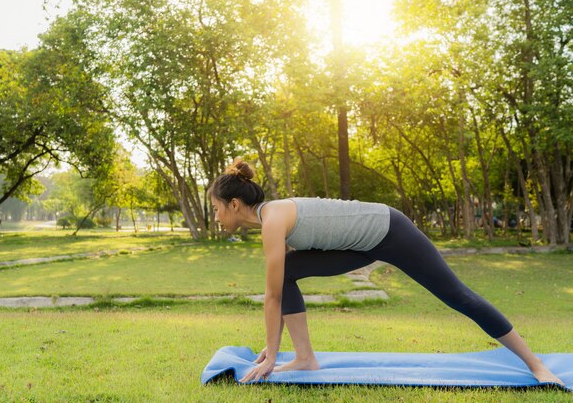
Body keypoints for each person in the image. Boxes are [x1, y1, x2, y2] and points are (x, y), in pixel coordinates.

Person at [208, 160, 564, 385]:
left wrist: (271, 356)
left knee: (458, 296)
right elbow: (280, 289)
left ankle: (535, 364)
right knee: (290, 272)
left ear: (235, 204)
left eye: (216, 209)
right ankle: (305, 359)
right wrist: (271, 349)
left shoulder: (272, 221)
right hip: (362, 244)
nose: (216, 216)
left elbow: (270, 297)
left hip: (390, 229)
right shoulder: (272, 220)